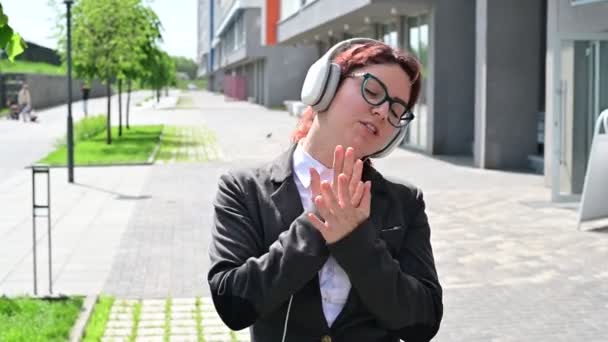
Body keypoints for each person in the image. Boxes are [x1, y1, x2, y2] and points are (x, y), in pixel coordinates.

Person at [208, 38, 443, 342]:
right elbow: (233, 305)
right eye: (372, 92)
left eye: (398, 110)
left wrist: (356, 240)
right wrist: (319, 223)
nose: (384, 112)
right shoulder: (243, 190)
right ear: (325, 86)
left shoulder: (405, 202)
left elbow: (422, 322)